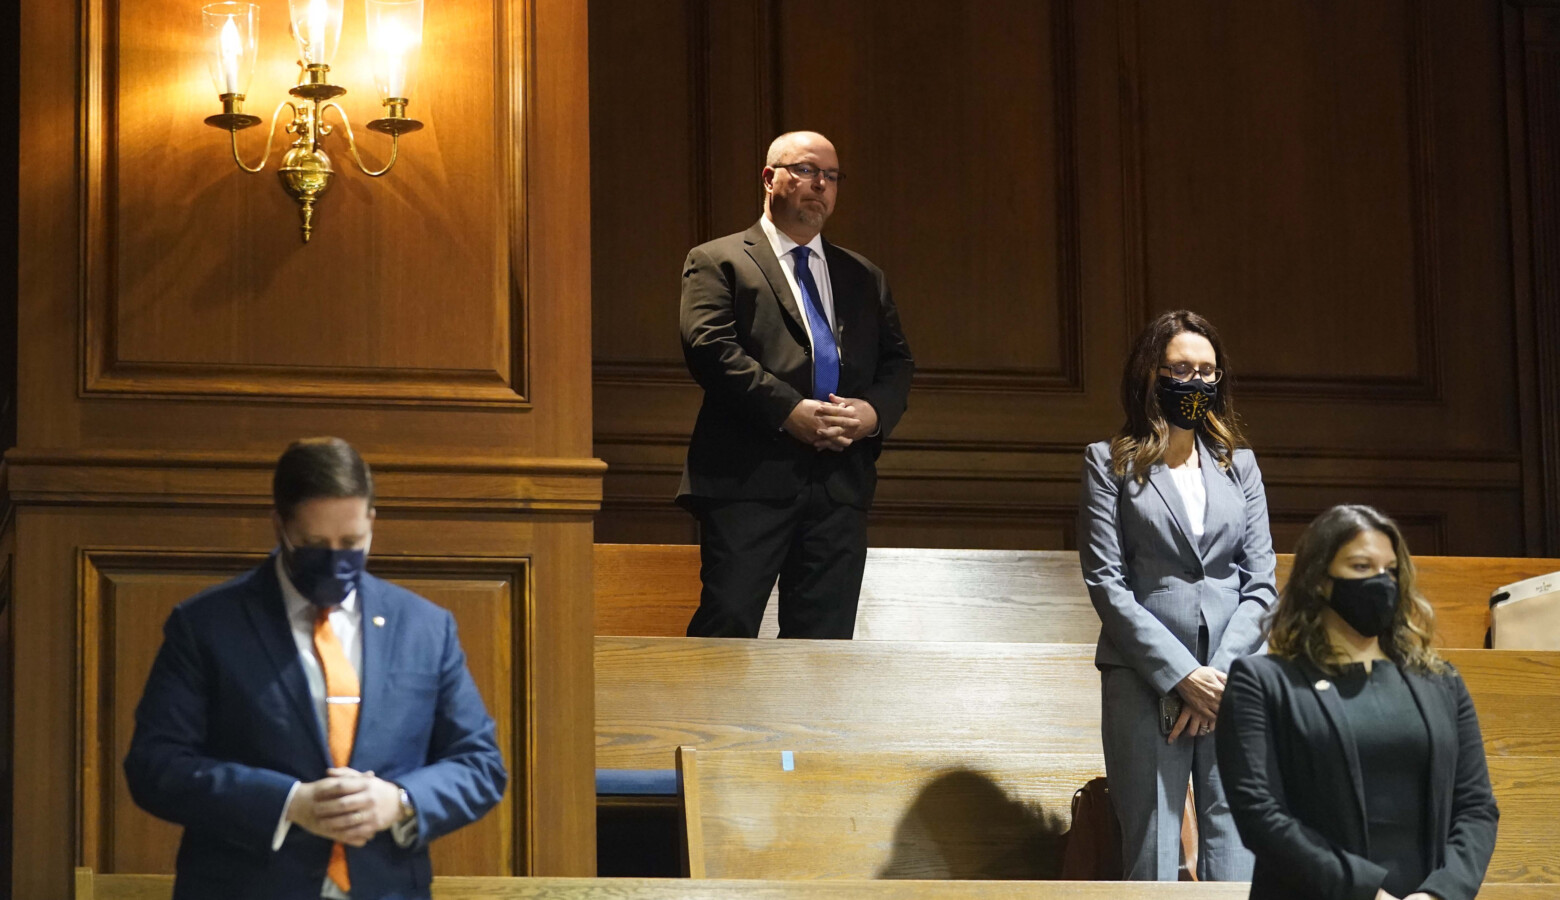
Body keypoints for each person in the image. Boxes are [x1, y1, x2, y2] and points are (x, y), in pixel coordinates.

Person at [124, 438, 507, 900]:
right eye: (312, 543)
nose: (334, 557)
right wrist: (287, 804)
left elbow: (480, 765)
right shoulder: (206, 626)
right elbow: (155, 766)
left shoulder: (425, 627)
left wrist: (400, 801)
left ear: (372, 522)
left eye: (351, 543)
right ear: (280, 526)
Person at [677, 130, 914, 638]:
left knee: (823, 647)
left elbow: (897, 364)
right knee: (728, 628)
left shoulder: (862, 275)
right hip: (748, 480)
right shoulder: (719, 260)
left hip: (840, 484)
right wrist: (790, 411)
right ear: (770, 178)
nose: (820, 185)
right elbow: (710, 350)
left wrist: (871, 415)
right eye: (806, 171)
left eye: (831, 176)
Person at [1076, 309, 1275, 880]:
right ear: (1151, 375)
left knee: (1236, 841)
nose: (1196, 382)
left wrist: (1218, 677)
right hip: (1146, 681)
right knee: (1153, 848)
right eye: (1181, 368)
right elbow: (1107, 583)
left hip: (1234, 682)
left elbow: (1261, 583)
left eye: (1208, 371)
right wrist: (1182, 675)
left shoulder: (1241, 466)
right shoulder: (1108, 462)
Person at [1217, 505, 1498, 900]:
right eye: (1362, 567)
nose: (1382, 582)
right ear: (1319, 580)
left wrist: (1438, 894)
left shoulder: (1442, 683)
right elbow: (1260, 815)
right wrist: (1368, 893)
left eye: (1391, 570)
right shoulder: (1263, 682)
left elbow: (1476, 808)